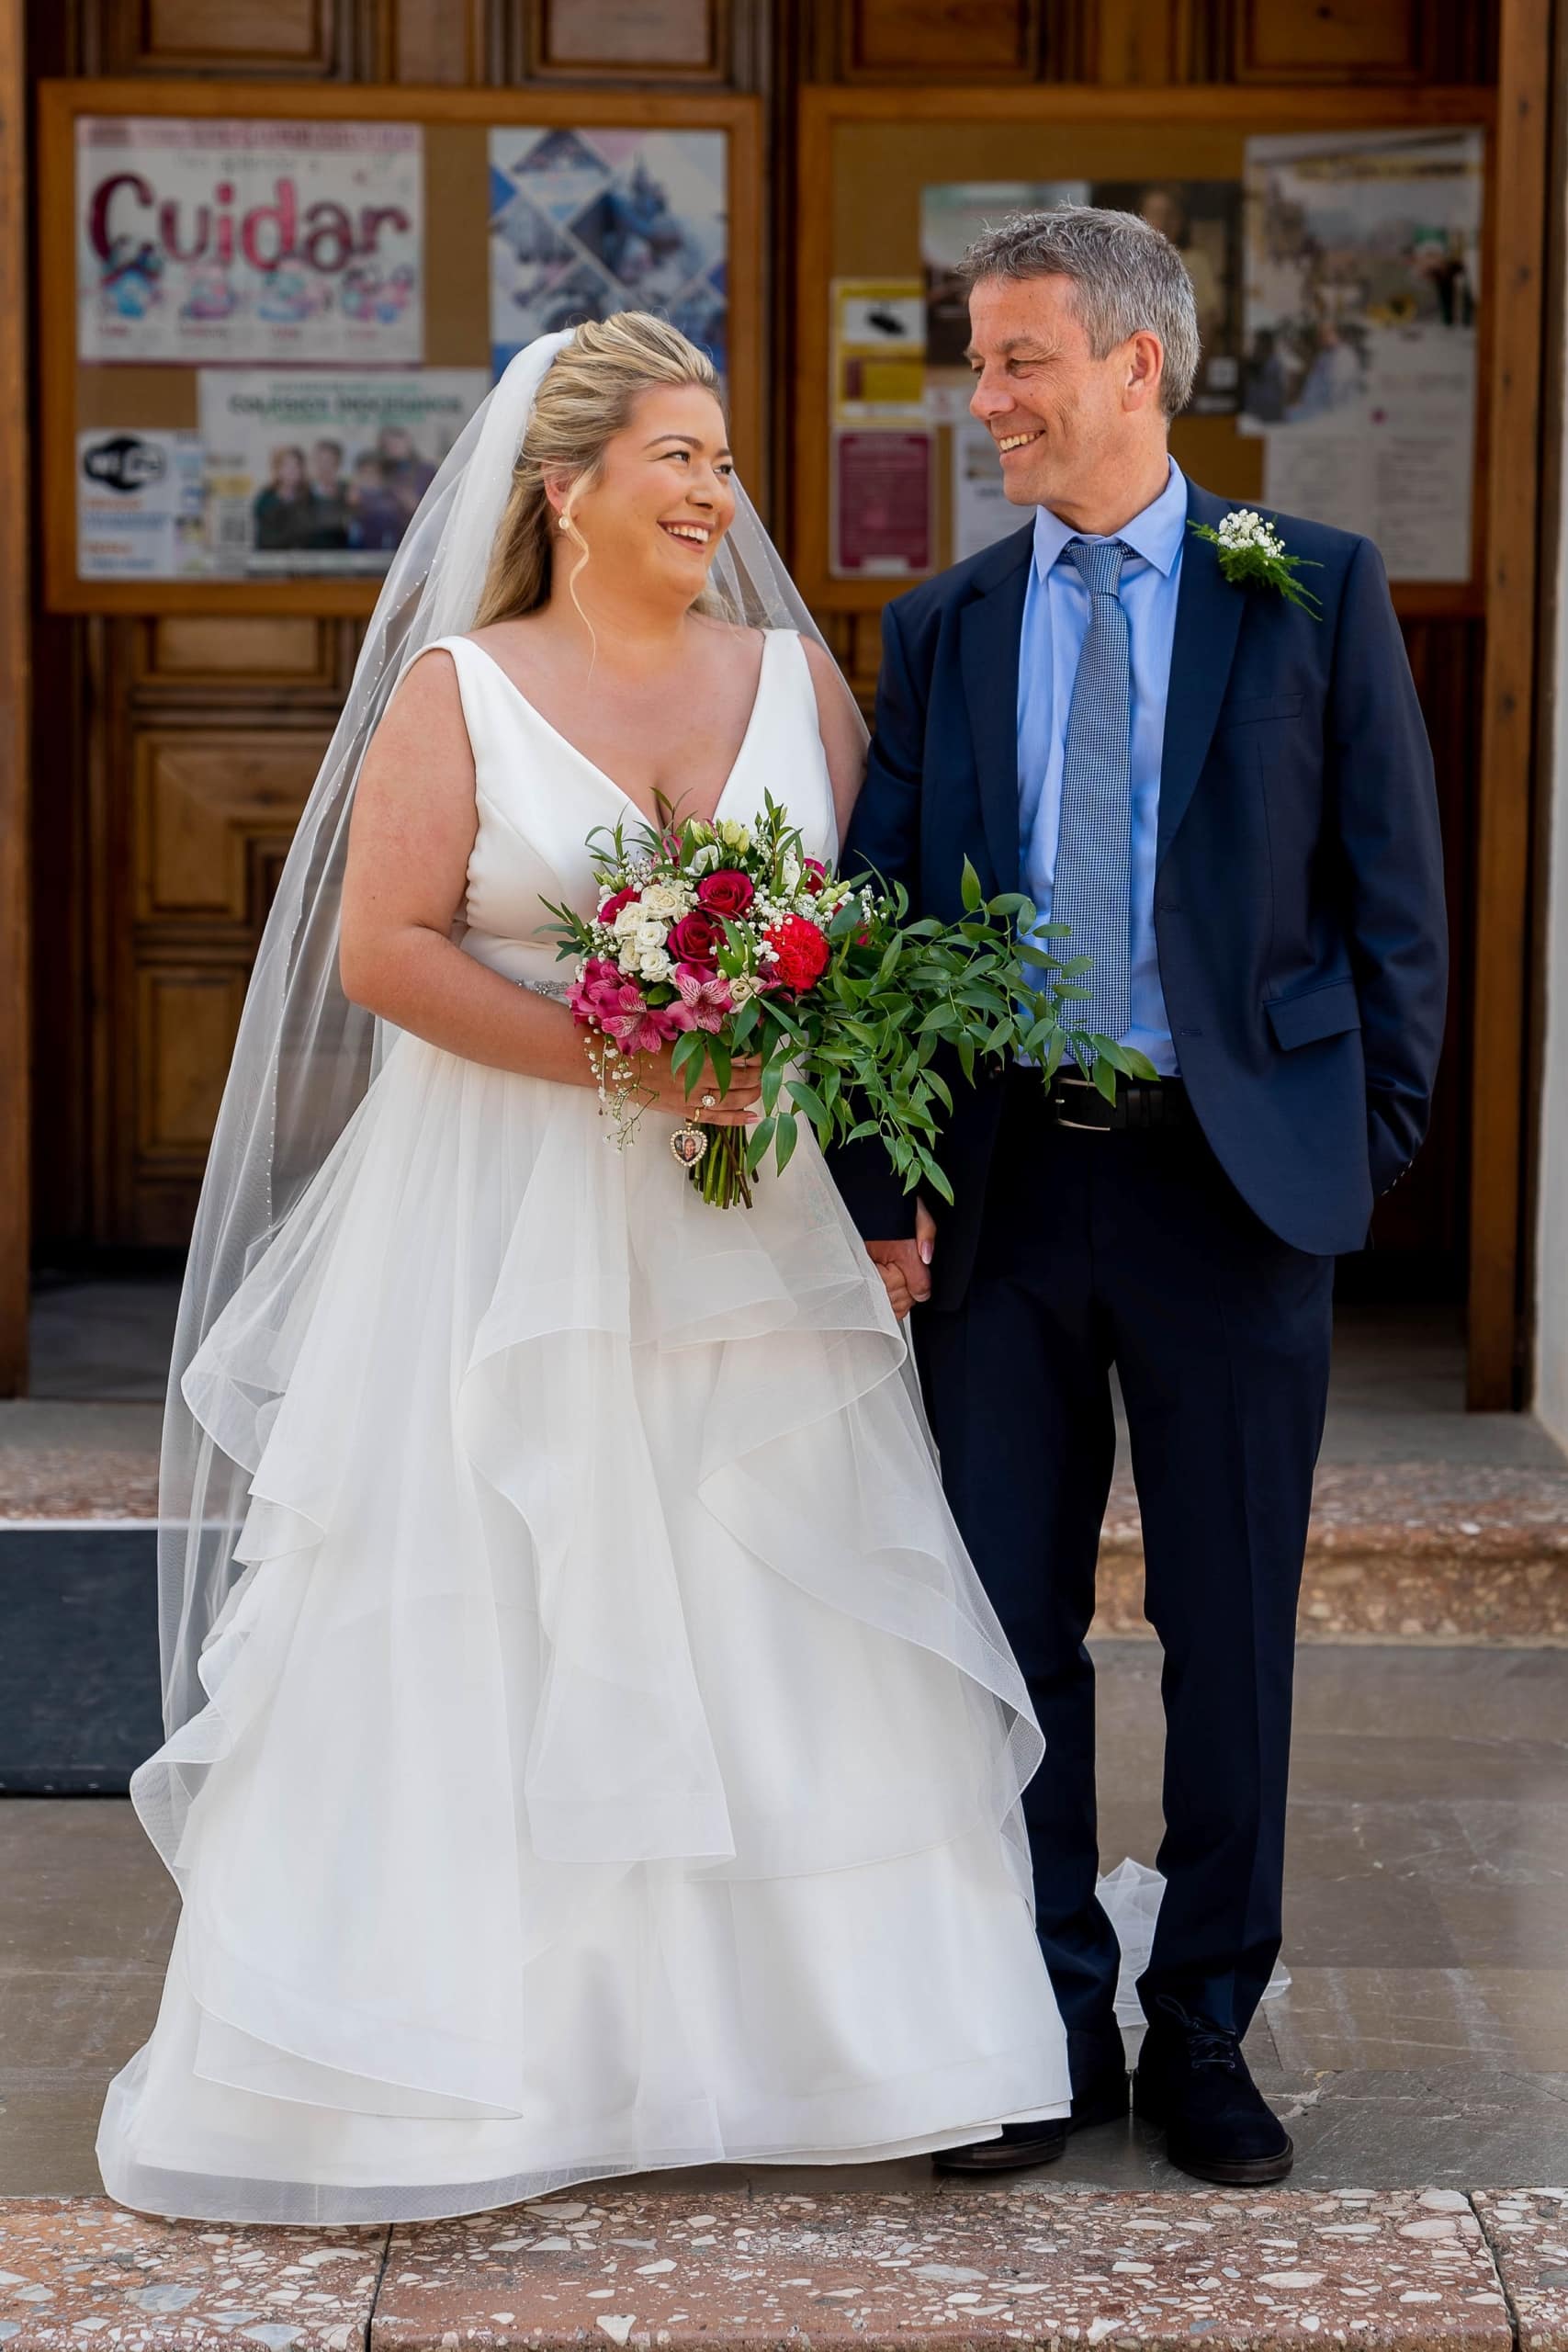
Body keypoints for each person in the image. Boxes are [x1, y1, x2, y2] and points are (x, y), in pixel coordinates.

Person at [96, 311, 1071, 2225]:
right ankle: (482, 2061)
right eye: (678, 460)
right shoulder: (462, 685)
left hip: (748, 1227)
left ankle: (817, 2050)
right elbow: (384, 949)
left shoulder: (798, 677)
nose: (717, 494)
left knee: (764, 1601)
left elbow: (861, 939)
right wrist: (626, 1050)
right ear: (565, 488)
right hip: (498, 1223)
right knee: (496, 1598)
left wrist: (860, 1163)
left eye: (721, 462)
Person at [831, 206, 1447, 2188]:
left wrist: (1354, 1155)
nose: (983, 396)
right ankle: (1032, 2018)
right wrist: (875, 1176)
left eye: (1015, 359)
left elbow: (1392, 909)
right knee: (1003, 1629)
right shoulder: (942, 627)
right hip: (1002, 1194)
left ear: (1131, 367)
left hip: (1230, 1191)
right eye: (977, 358)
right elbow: (878, 913)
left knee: (1224, 1632)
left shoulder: (1306, 587)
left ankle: (1200, 2028)